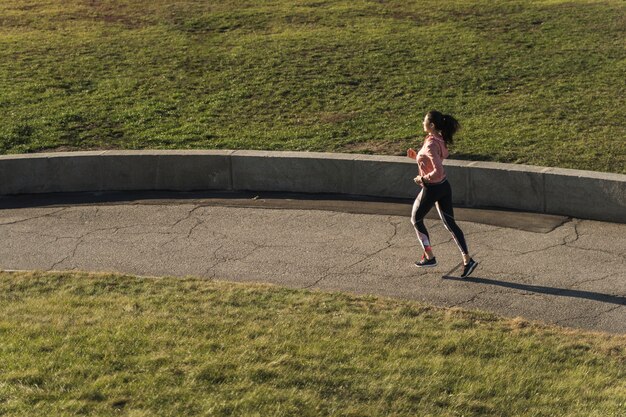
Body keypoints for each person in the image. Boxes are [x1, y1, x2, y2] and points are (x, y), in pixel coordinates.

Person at [406, 110, 478, 278]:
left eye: (424, 120)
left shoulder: (431, 143)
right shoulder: (438, 139)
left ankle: (429, 257)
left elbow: (437, 170)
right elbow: (436, 160)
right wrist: (417, 158)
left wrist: (422, 179)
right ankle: (468, 260)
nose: (422, 122)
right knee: (450, 224)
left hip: (432, 188)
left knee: (416, 219)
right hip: (444, 187)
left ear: (431, 125)